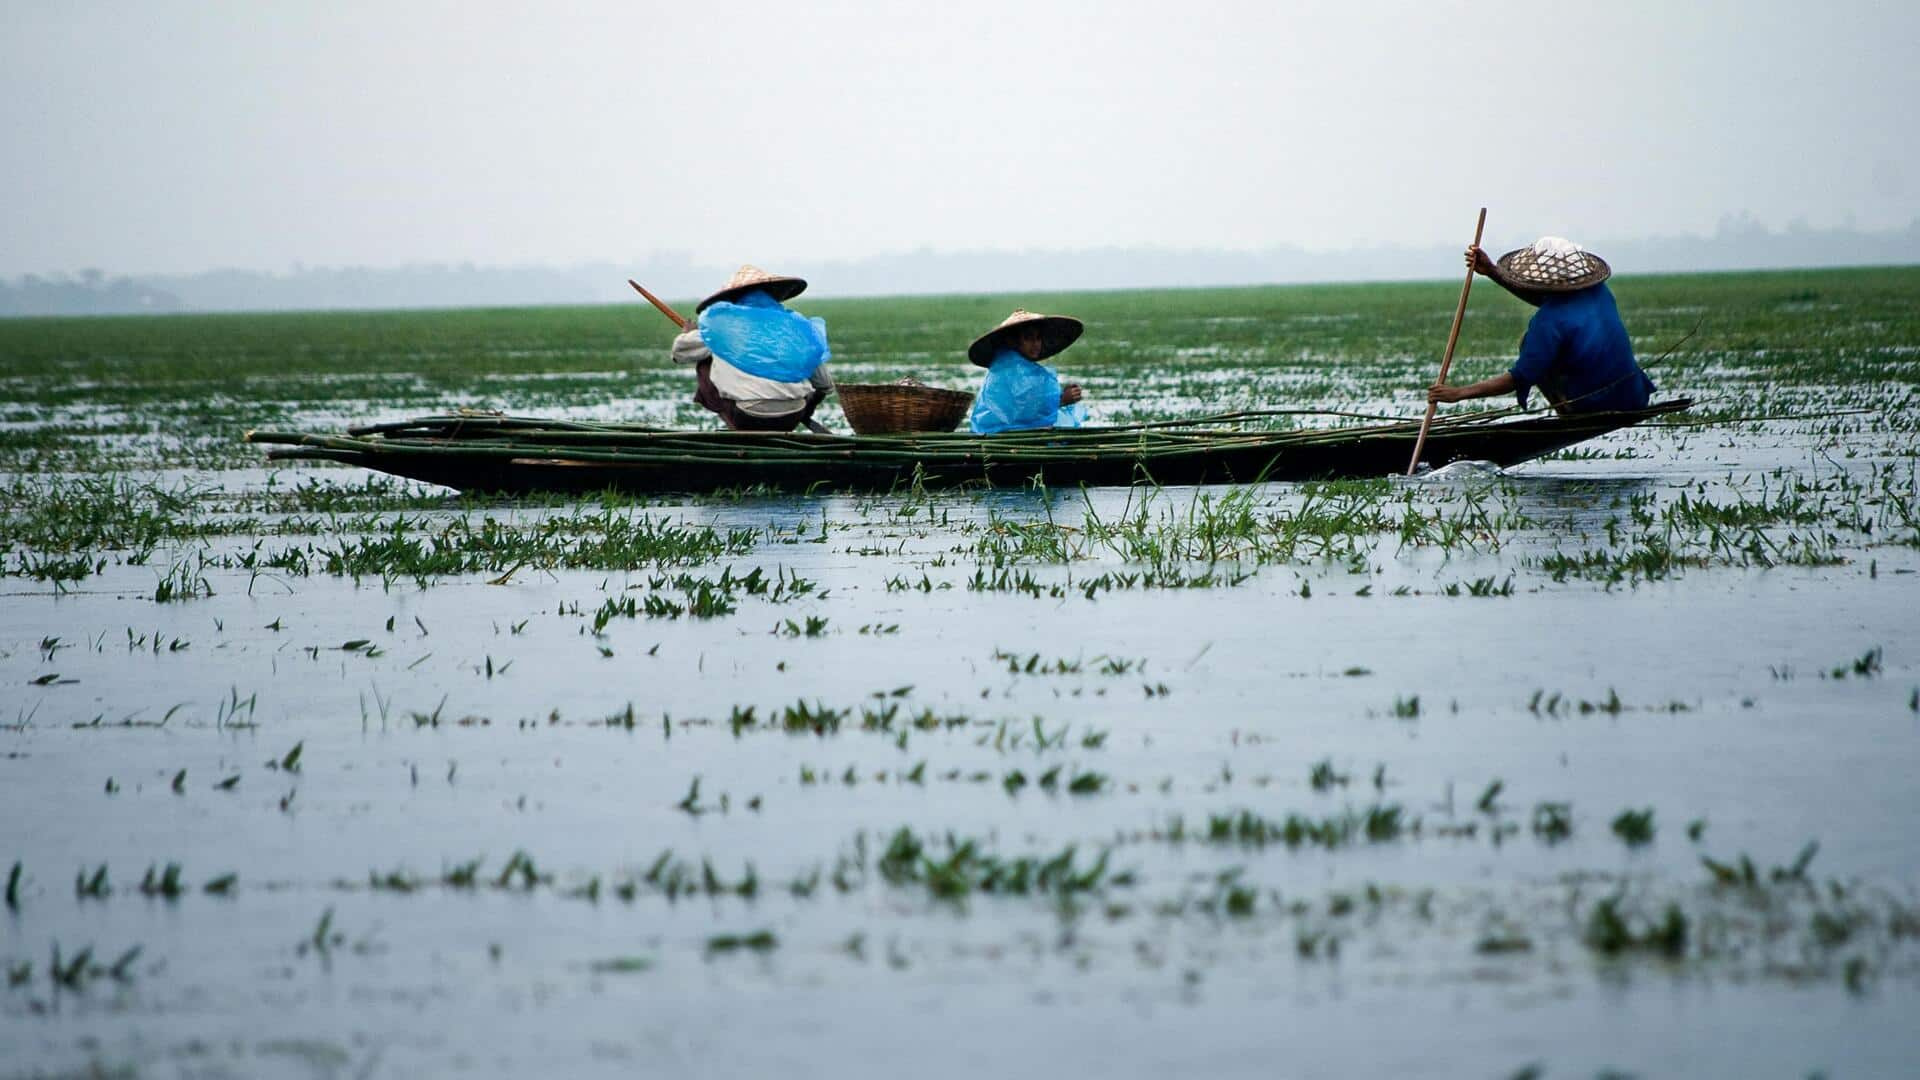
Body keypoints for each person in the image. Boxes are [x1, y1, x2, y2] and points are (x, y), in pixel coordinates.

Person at [1427, 237, 1655, 416]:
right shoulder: (1600, 292)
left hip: (1595, 405)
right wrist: (1492, 272)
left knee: (1528, 342)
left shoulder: (1548, 321)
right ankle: (1571, 404)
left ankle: (1568, 411)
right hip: (1634, 397)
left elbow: (1520, 376)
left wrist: (1458, 393)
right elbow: (1552, 302)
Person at [670, 265, 834, 432]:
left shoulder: (721, 327)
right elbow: (825, 385)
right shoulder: (795, 329)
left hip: (748, 416)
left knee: (704, 365)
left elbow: (679, 352)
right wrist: (807, 408)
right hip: (794, 415)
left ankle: (736, 431)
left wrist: (689, 334)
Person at [967, 309, 1089, 435]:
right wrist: (1062, 400)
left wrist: (1060, 398)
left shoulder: (1018, 367)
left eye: (1038, 338)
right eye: (1028, 338)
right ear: (1013, 341)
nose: (1035, 344)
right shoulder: (1007, 369)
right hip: (1002, 434)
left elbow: (1032, 402)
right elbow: (1021, 413)